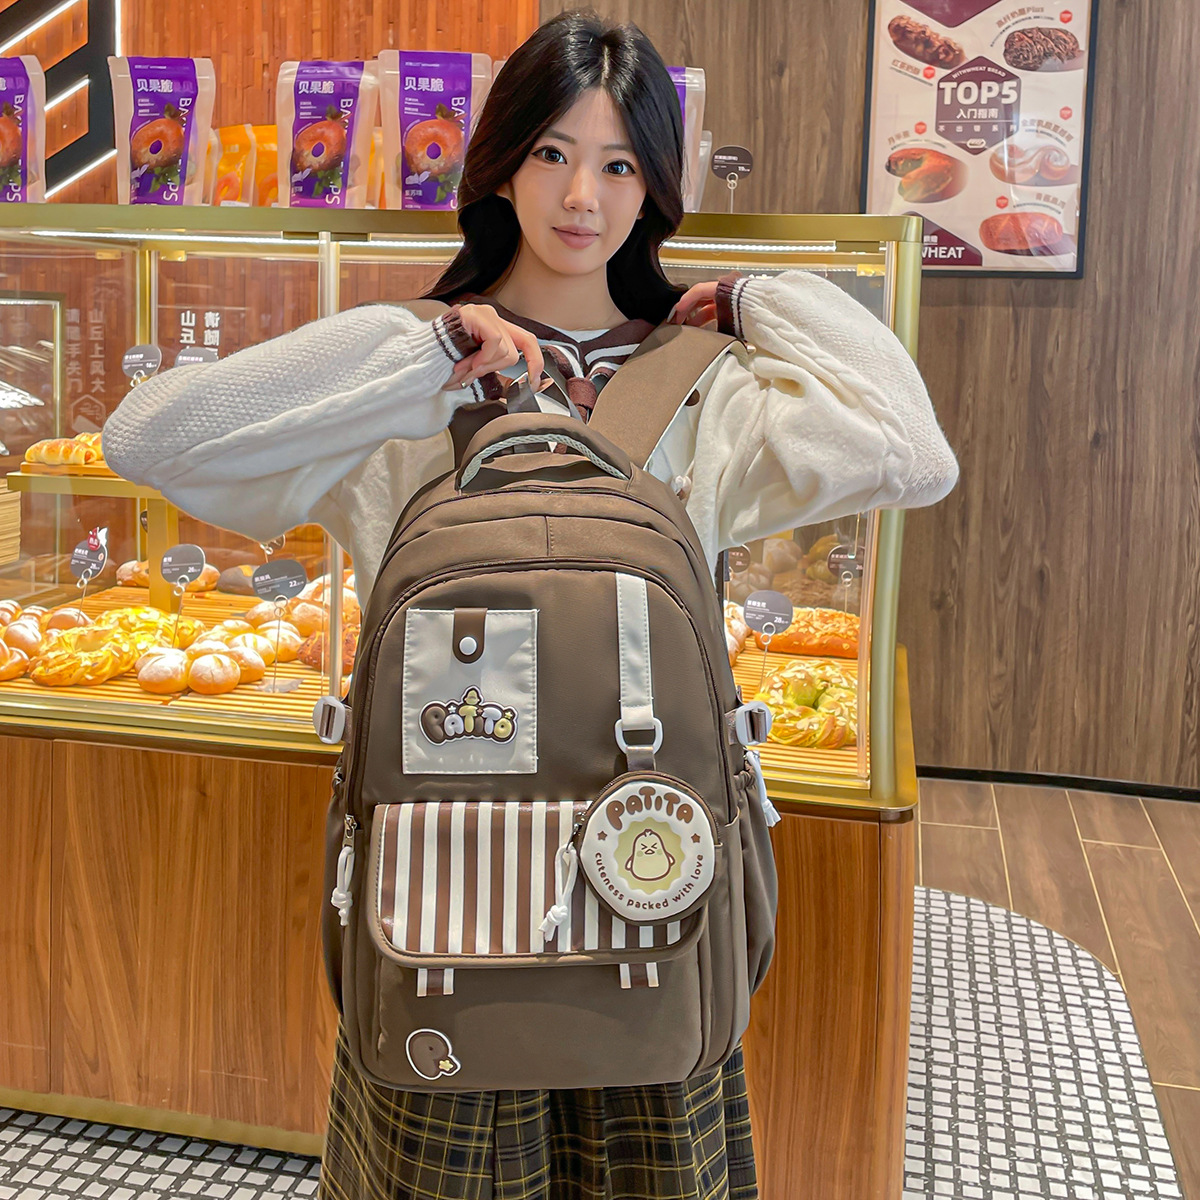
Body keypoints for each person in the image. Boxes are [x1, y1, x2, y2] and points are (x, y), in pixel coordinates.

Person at [103, 10, 958, 1198]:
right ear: (502, 161)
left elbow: (915, 455)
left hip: (648, 873)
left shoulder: (707, 388)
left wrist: (758, 299)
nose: (582, 197)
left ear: (656, 189)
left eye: (621, 164)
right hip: (443, 897)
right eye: (553, 152)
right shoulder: (412, 374)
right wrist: (425, 351)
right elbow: (147, 439)